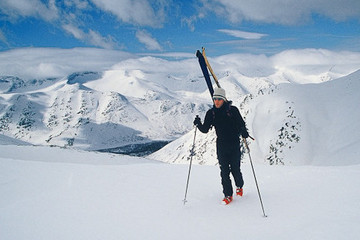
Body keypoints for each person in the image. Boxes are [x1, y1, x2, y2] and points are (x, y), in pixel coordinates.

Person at [193, 87, 249, 205]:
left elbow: (241, 124)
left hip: (234, 145)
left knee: (235, 170)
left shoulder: (233, 110)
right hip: (221, 146)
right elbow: (205, 129)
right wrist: (198, 124)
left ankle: (239, 185)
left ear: (224, 99)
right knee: (224, 171)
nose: (216, 102)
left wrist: (244, 132)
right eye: (214, 99)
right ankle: (228, 195)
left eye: (219, 99)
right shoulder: (211, 113)